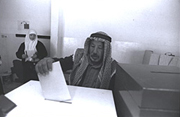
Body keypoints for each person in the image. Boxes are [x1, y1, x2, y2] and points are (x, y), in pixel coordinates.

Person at [35, 31, 117, 90]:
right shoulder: (80, 56)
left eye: (100, 48)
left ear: (106, 50)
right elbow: (62, 63)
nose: (95, 51)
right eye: (92, 46)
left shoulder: (111, 67)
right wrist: (50, 61)